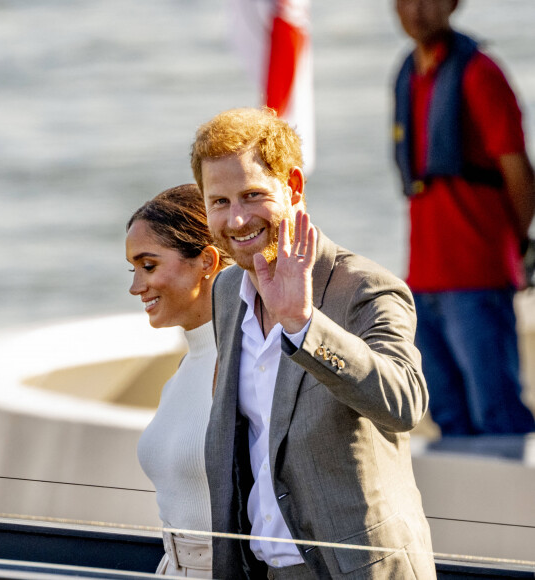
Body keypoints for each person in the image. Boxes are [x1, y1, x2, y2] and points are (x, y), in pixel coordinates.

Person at [190, 107, 436, 579]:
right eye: (219, 201)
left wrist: (303, 324)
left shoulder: (365, 287)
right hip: (263, 569)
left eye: (253, 195)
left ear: (294, 187)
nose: (237, 219)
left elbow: (406, 403)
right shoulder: (226, 292)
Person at [392, 0, 535, 435]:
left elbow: (520, 176)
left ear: (453, 4)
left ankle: (518, 505)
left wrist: (512, 250)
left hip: (476, 278)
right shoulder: (409, 75)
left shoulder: (480, 74)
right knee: (448, 414)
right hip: (422, 279)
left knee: (498, 412)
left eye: (427, 0)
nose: (415, 11)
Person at [126, 184, 230, 578]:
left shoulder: (251, 367)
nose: (136, 287)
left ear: (206, 260)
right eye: (132, 269)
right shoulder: (183, 372)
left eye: (148, 266)